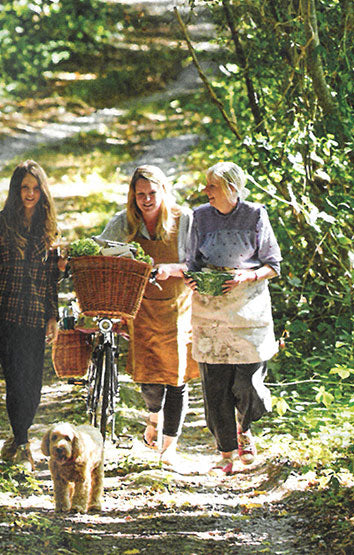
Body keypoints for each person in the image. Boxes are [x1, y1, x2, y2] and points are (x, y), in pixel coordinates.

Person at [157, 161, 281, 474]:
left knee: (248, 382)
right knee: (215, 385)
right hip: (209, 309)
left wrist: (246, 276)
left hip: (248, 308)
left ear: (231, 189)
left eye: (212, 186)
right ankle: (226, 454)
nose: (206, 191)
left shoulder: (255, 214)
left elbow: (273, 265)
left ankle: (245, 426)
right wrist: (190, 278)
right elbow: (192, 262)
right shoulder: (200, 216)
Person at [0, 160, 63, 472]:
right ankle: (22, 443)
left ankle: (16, 438)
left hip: (34, 311)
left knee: (33, 382)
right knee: (16, 376)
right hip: (0, 311)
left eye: (35, 188)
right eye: (24, 188)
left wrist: (53, 316)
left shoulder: (49, 230)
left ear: (42, 192)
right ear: (15, 190)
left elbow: (51, 280)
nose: (30, 193)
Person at [99, 165, 194, 466]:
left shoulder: (184, 220)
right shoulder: (124, 223)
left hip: (178, 305)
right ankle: (154, 416)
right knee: (149, 379)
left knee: (176, 377)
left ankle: (169, 447)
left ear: (164, 191)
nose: (147, 200)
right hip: (140, 308)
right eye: (140, 195)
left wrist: (171, 269)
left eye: (152, 193)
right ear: (133, 197)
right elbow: (101, 254)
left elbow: (200, 263)